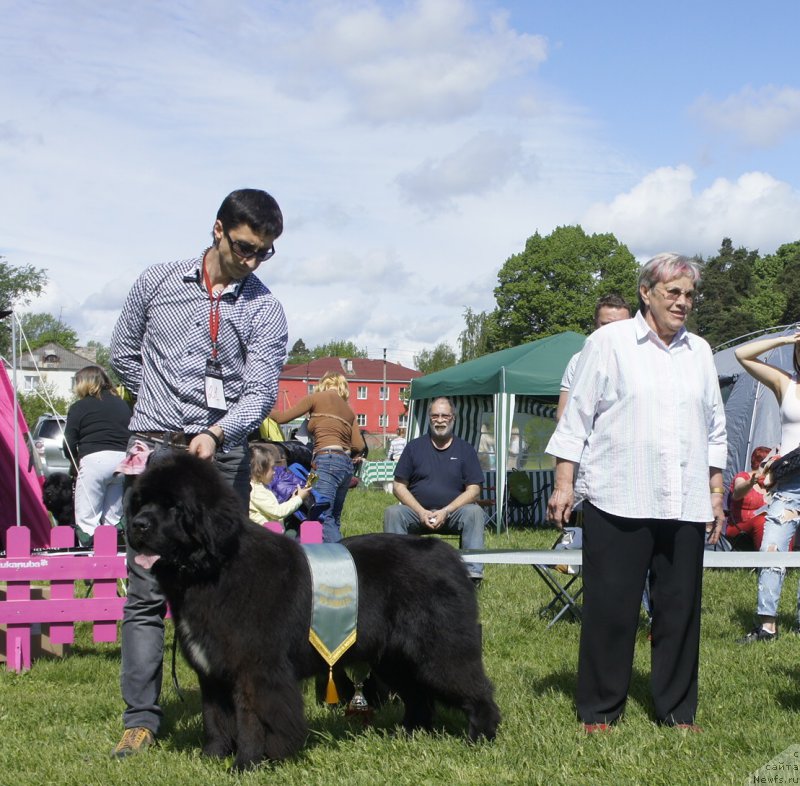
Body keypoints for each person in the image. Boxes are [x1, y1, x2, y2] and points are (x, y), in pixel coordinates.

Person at [109, 188, 288, 758]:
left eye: (265, 253)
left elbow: (259, 391)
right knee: (145, 588)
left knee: (221, 587)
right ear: (217, 230)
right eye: (245, 247)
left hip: (224, 456)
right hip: (156, 453)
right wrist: (159, 403)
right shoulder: (157, 281)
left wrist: (215, 430)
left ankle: (235, 711)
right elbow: (121, 353)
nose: (253, 261)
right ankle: (140, 718)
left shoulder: (265, 308)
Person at [546, 253, 727, 732]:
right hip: (618, 496)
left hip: (684, 502)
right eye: (674, 292)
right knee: (611, 609)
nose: (683, 302)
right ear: (647, 292)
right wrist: (564, 482)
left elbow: (715, 429)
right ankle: (601, 709)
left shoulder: (702, 353)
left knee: (679, 610)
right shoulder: (608, 343)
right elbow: (576, 417)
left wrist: (715, 493)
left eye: (689, 294)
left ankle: (677, 710)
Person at [735, 333, 800, 643]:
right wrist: (785, 339)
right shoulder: (785, 383)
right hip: (788, 486)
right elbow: (743, 354)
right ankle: (766, 627)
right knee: (770, 549)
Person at [383, 396, 486, 585]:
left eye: (444, 415)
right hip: (417, 512)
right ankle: (397, 573)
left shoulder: (465, 450)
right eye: (435, 415)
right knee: (393, 513)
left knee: (474, 513)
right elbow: (398, 486)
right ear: (429, 418)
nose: (440, 420)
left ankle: (472, 575)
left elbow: (474, 489)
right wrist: (420, 511)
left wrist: (447, 510)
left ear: (453, 418)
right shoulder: (414, 448)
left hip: (453, 513)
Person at [269, 371, 365, 543]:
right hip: (346, 465)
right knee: (334, 518)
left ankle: (336, 559)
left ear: (322, 386)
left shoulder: (316, 398)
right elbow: (359, 446)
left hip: (326, 459)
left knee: (321, 516)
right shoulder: (349, 412)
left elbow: (283, 418)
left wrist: (263, 408)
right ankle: (338, 555)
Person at [63, 365, 132, 546]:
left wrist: (73, 463)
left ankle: (90, 560)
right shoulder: (122, 405)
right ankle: (115, 560)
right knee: (113, 518)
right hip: (121, 461)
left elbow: (68, 443)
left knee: (88, 518)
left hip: (94, 460)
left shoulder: (79, 407)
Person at [556, 293, 631, 420]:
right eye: (606, 324)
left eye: (620, 326)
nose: (612, 331)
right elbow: (563, 415)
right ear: (595, 324)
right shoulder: (578, 360)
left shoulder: (645, 359)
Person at [248, 443, 312, 528]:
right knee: (313, 525)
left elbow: (274, 512)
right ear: (260, 470)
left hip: (272, 535)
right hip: (266, 537)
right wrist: (299, 498)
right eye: (272, 468)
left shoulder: (261, 487)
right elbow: (277, 512)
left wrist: (292, 500)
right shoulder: (256, 491)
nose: (274, 472)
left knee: (311, 525)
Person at [726, 446, 771, 550]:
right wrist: (750, 483)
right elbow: (737, 493)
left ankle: (786, 560)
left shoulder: (772, 481)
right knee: (762, 521)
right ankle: (766, 562)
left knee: (786, 521)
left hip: (766, 523)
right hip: (738, 525)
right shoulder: (743, 476)